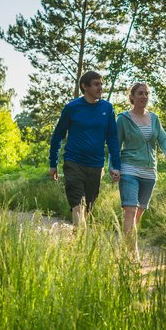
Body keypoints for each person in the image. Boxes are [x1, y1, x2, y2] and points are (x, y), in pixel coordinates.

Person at [49, 71, 121, 229]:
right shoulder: (72, 108)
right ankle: (81, 241)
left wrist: (116, 165)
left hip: (96, 165)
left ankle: (77, 241)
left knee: (88, 208)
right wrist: (53, 163)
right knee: (78, 205)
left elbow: (112, 139)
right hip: (74, 162)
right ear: (84, 86)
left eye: (101, 84)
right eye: (96, 84)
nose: (100, 87)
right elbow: (57, 136)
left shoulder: (107, 108)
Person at [116, 82, 166, 256]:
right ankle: (132, 254)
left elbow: (163, 138)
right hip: (129, 169)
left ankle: (125, 248)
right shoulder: (123, 119)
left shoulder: (154, 118)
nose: (144, 97)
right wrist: (114, 167)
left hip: (149, 172)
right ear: (132, 97)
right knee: (130, 210)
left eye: (147, 94)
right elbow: (115, 145)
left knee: (138, 214)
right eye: (140, 93)